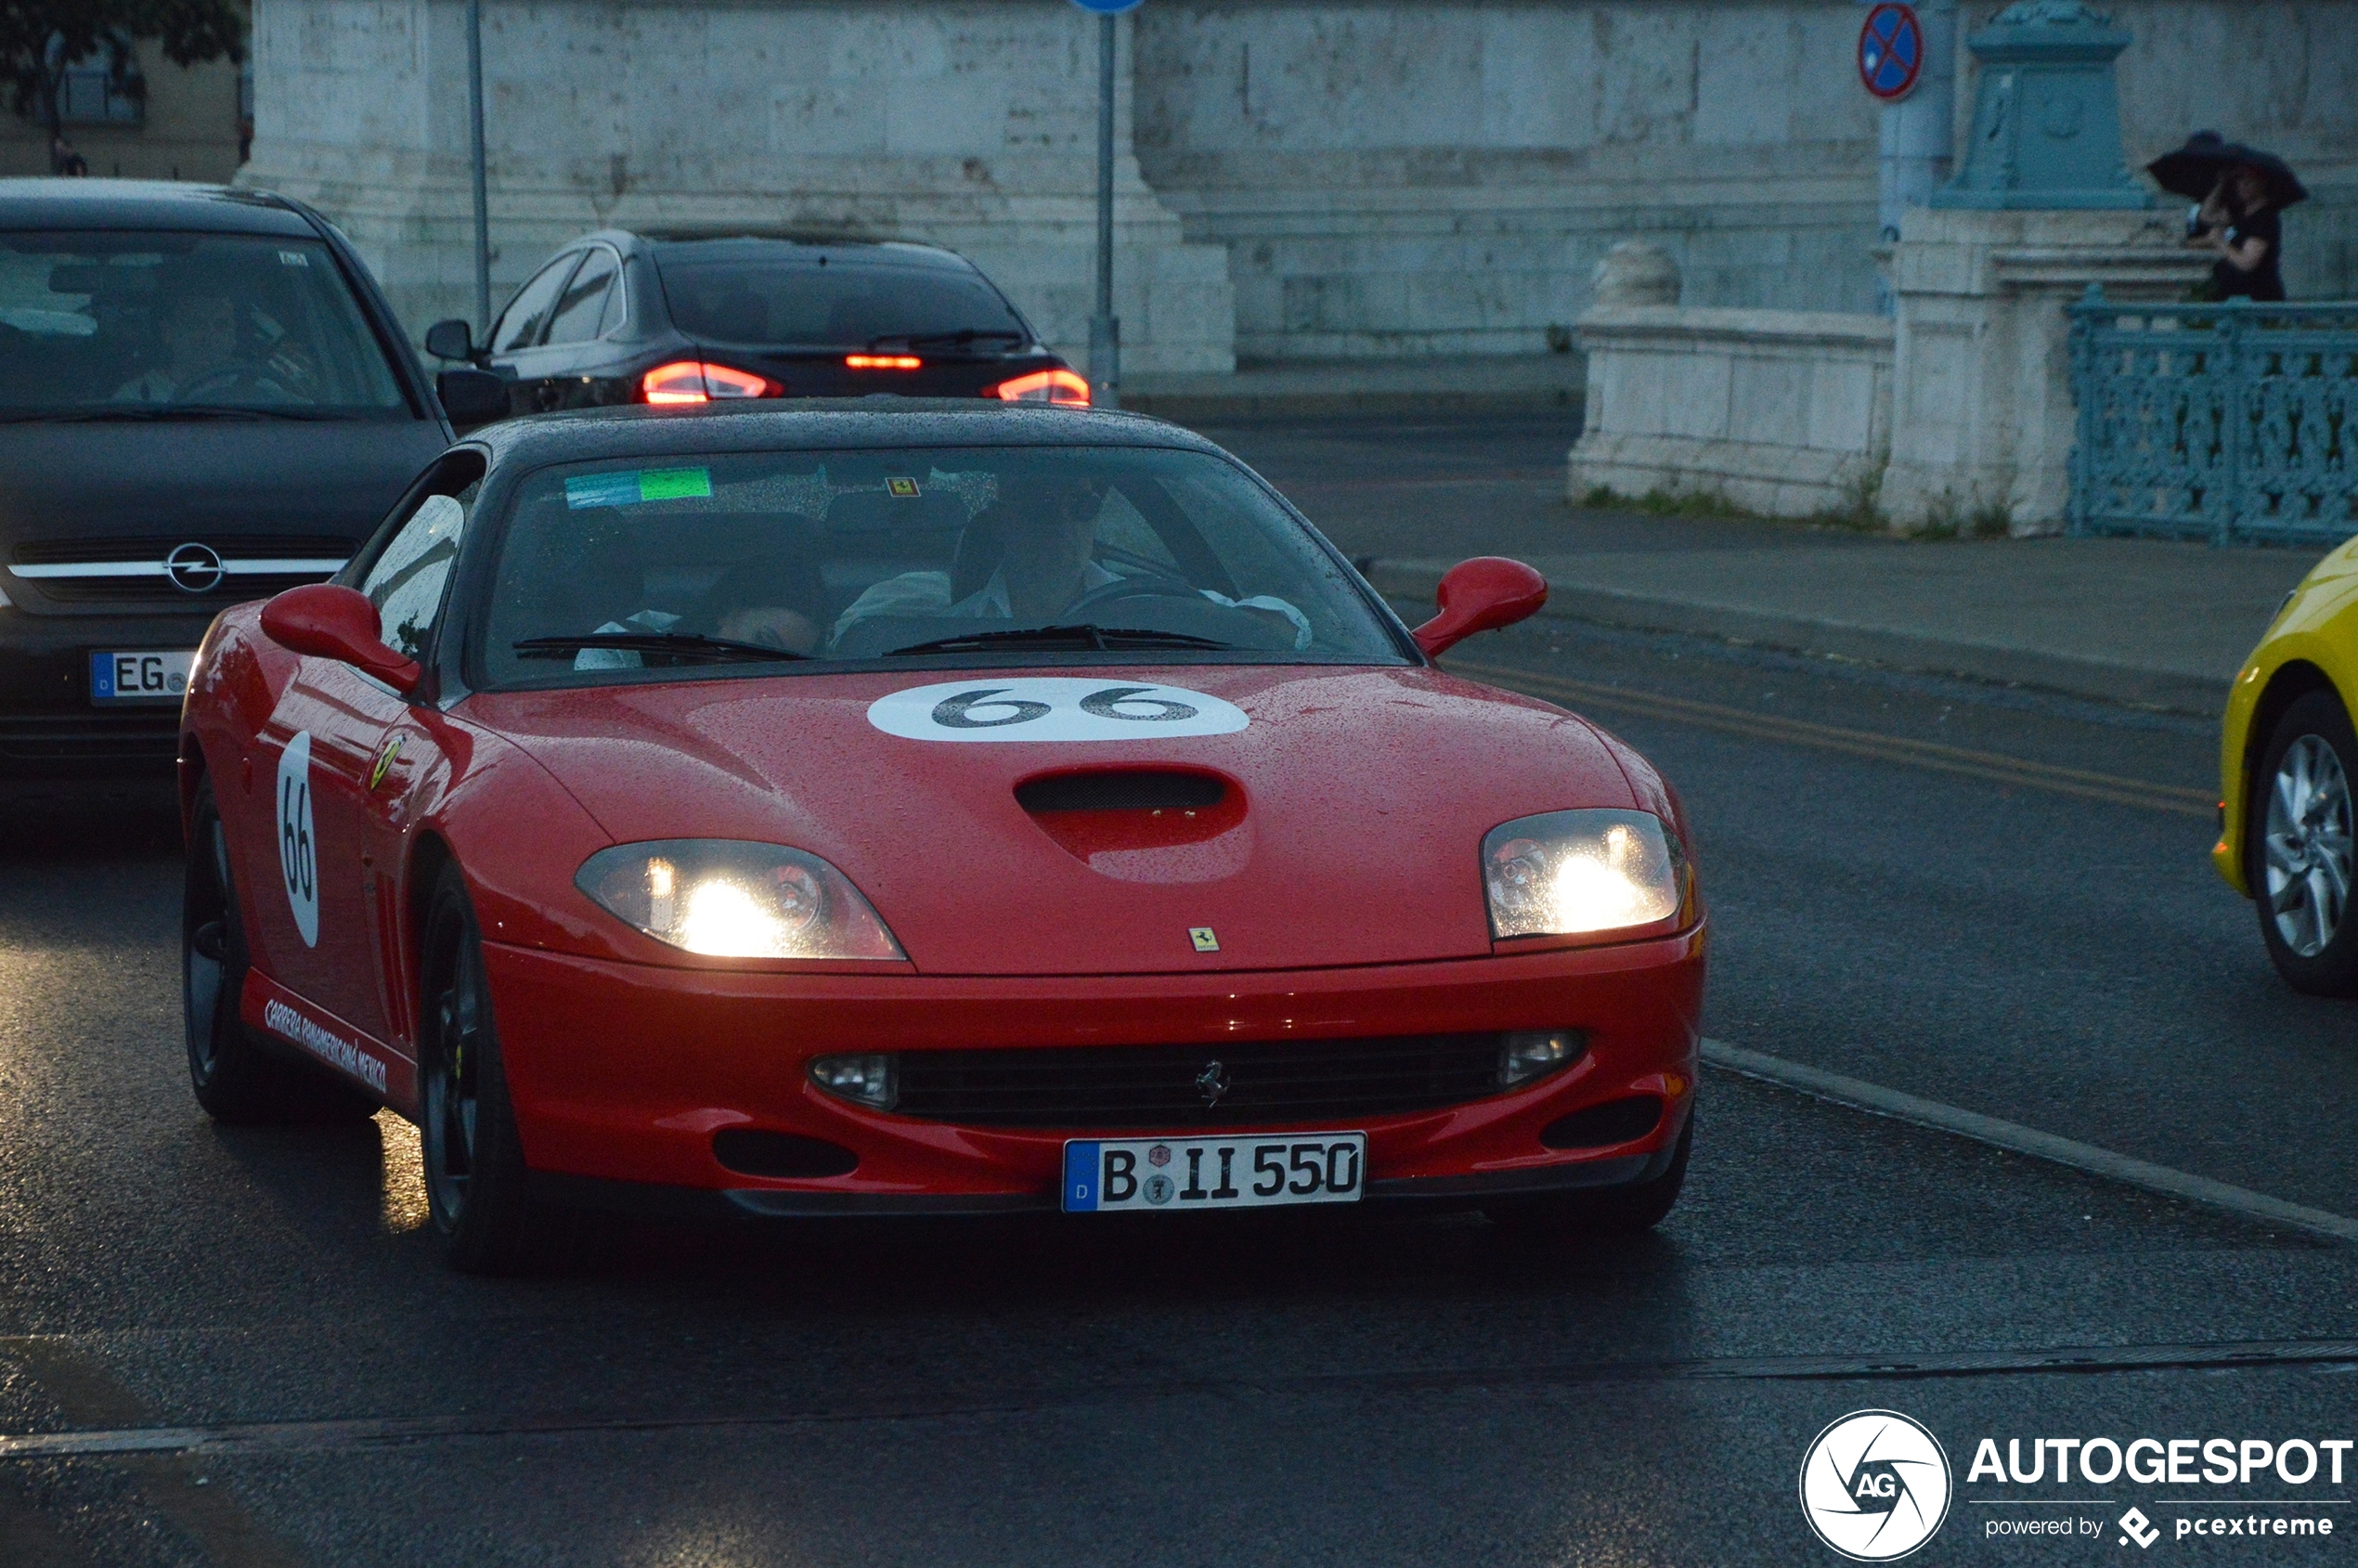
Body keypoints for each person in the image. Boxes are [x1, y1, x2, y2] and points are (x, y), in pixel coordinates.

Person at [826, 473, 1311, 652]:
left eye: (1081, 508)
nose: (1062, 524)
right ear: (1004, 521)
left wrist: (1222, 624)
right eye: (1041, 508)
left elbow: (1291, 626)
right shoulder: (946, 628)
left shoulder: (1146, 607)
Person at [2189, 164, 2286, 303]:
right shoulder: (2240, 211)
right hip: (2232, 298)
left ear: (2262, 184)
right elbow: (2206, 216)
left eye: (2249, 181)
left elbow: (2247, 262)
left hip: (2256, 300)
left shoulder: (2264, 218)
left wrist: (2220, 242)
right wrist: (2221, 184)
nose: (2243, 185)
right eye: (2239, 180)